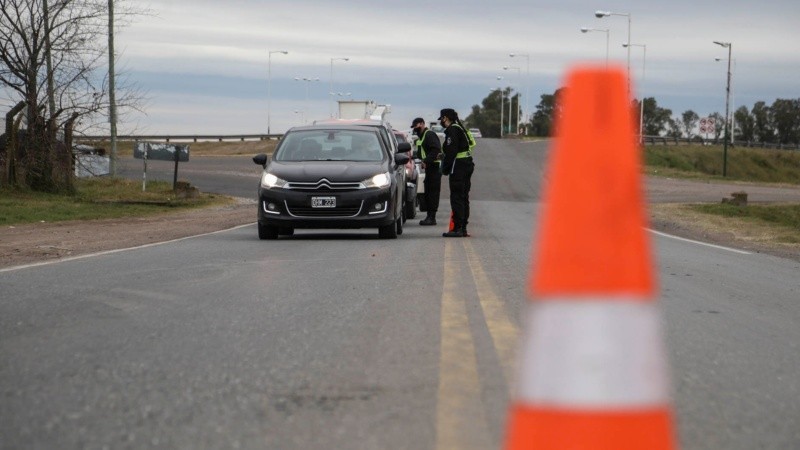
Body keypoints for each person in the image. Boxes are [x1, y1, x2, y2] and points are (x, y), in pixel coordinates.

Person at [438, 108, 474, 237]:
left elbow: (452, 152)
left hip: (458, 166)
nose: (441, 122)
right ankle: (462, 227)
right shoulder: (458, 128)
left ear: (445, 118)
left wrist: (445, 169)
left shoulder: (452, 130)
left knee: (457, 197)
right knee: (463, 196)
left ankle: (457, 228)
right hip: (466, 164)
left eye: (441, 119)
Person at [411, 117, 442, 225]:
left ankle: (432, 217)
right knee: (428, 191)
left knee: (432, 192)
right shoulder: (422, 136)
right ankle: (429, 216)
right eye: (414, 127)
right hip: (429, 167)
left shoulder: (429, 135)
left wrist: (426, 161)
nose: (415, 128)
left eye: (417, 126)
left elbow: (436, 150)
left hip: (434, 167)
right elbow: (422, 152)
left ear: (422, 124)